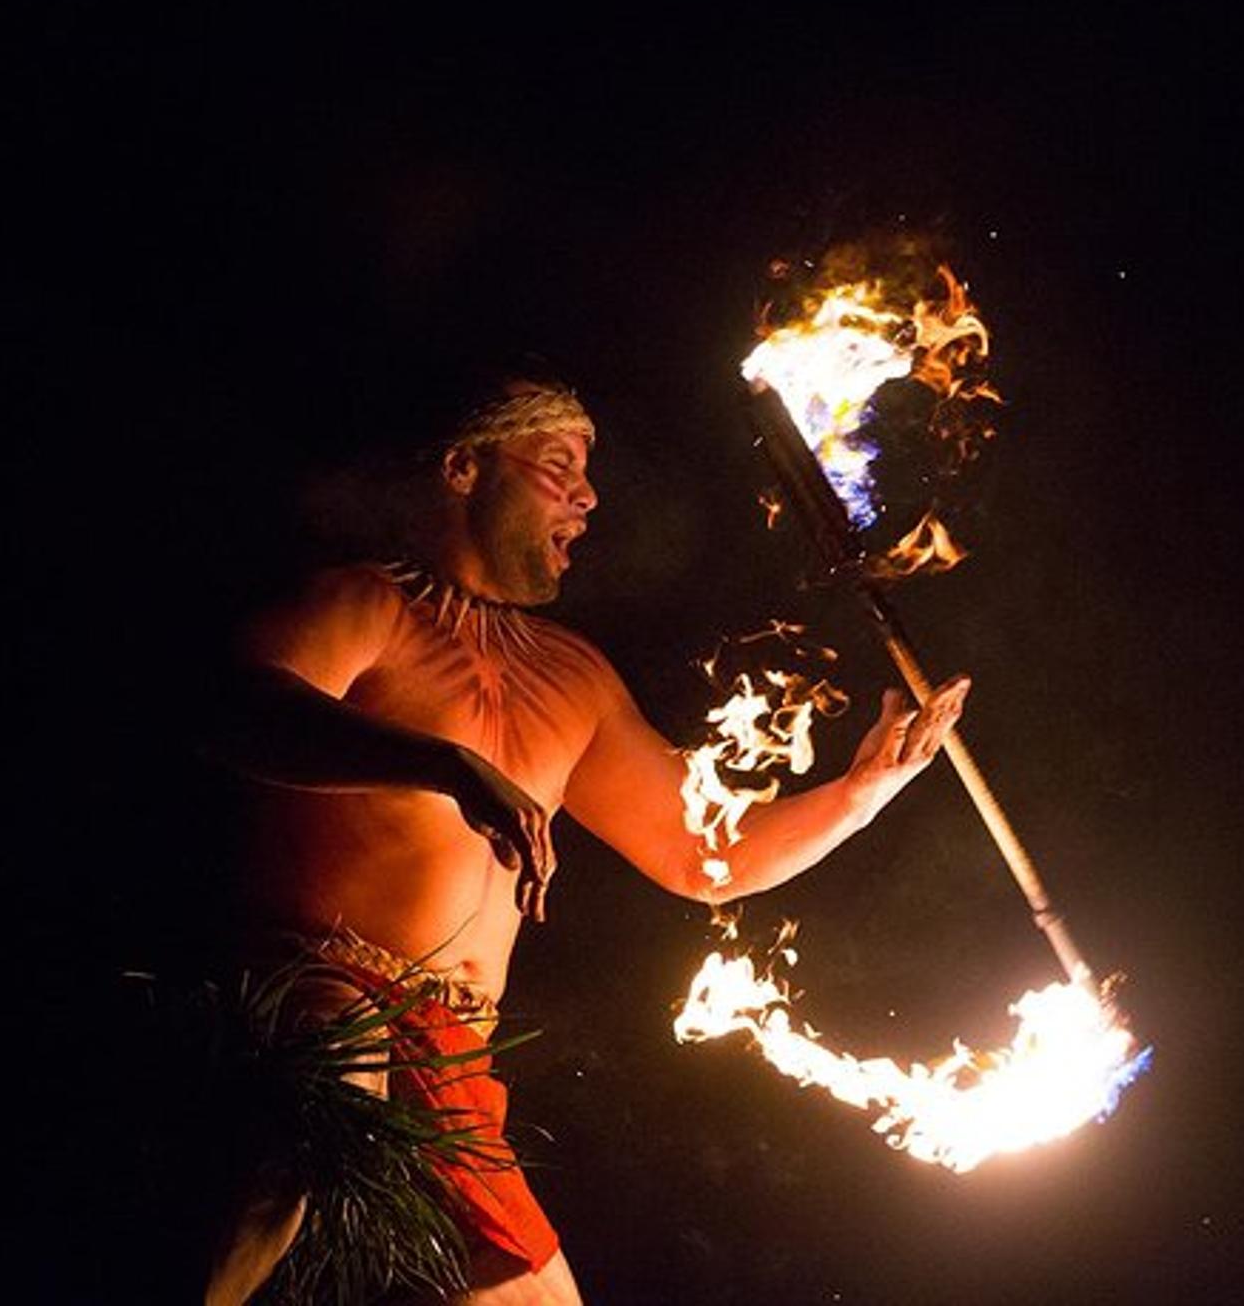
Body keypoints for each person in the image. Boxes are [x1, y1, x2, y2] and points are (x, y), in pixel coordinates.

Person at [200, 367, 968, 1305]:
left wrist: (863, 789)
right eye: (558, 465)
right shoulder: (366, 607)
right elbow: (237, 709)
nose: (589, 495)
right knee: (307, 1137)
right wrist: (445, 765)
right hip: (316, 987)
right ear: (463, 469)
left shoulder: (574, 677)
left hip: (454, 1060)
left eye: (588, 473)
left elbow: (701, 858)